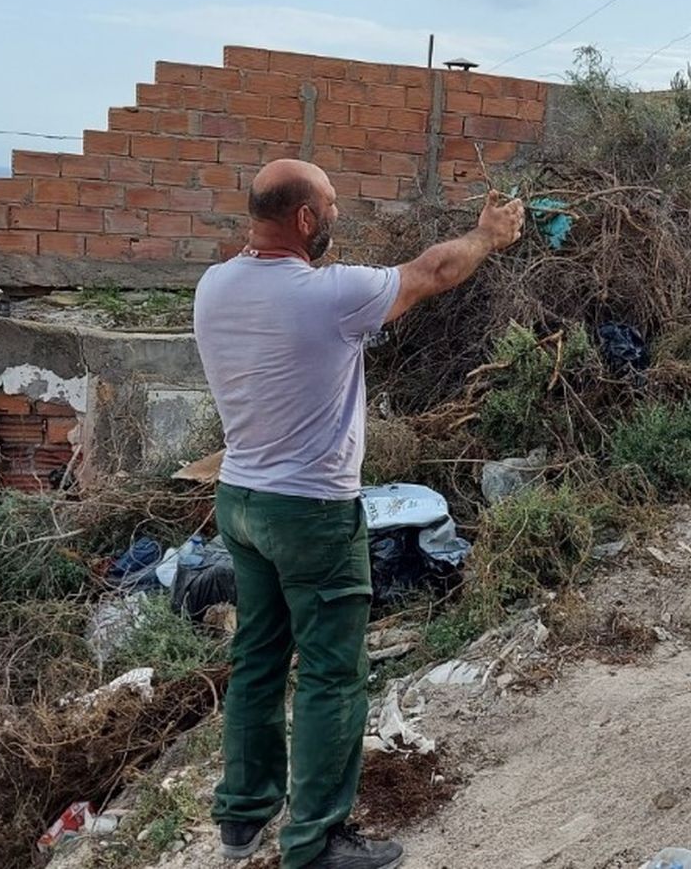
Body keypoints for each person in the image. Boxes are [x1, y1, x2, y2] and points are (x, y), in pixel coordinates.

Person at [193, 159, 524, 869]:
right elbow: (434, 271)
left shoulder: (214, 287)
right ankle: (315, 843)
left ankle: (243, 819)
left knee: (256, 660)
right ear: (306, 219)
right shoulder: (328, 296)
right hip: (311, 512)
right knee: (330, 673)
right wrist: (488, 235)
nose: (338, 216)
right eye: (332, 206)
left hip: (241, 502)